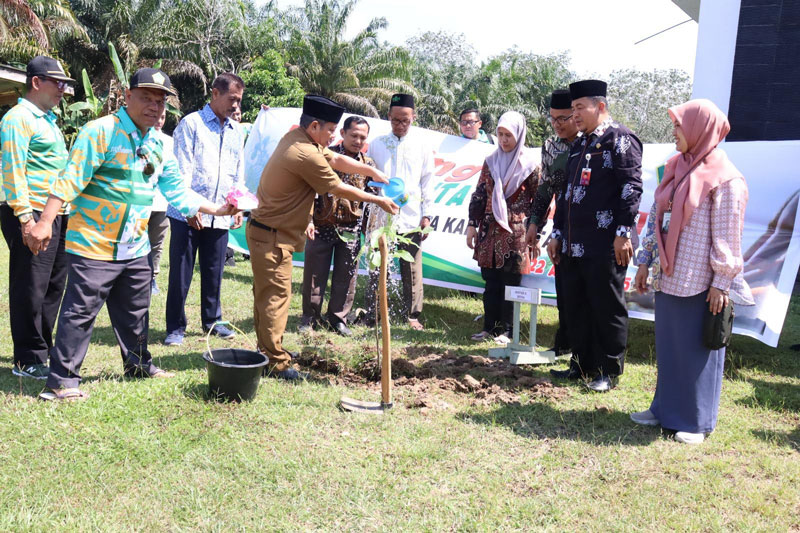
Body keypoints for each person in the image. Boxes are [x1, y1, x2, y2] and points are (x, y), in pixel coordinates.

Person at [26, 68, 239, 401]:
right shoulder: (100, 132)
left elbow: (177, 192)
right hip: (93, 244)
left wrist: (217, 210)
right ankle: (62, 381)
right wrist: (43, 223)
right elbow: (68, 181)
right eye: (146, 99)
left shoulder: (158, 144)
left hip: (135, 245)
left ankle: (139, 365)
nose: (155, 107)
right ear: (127, 97)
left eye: (160, 102)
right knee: (80, 312)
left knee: (136, 311)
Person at [247, 95, 398, 380]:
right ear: (315, 126)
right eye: (331, 130)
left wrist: (369, 170)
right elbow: (338, 187)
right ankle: (274, 364)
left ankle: (266, 352)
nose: (332, 136)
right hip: (272, 237)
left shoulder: (299, 139)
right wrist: (376, 200)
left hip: (269, 233)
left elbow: (337, 158)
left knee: (268, 296)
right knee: (276, 298)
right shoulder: (305, 154)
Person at [631, 99, 753, 444]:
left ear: (701, 129)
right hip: (670, 275)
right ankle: (664, 409)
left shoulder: (726, 179)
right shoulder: (676, 166)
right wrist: (645, 260)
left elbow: (728, 236)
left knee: (699, 350)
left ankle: (696, 421)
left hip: (702, 281)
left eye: (678, 126)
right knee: (670, 347)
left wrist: (722, 283)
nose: (673, 133)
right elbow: (658, 219)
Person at [547, 79, 643, 392]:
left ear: (599, 106)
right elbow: (564, 195)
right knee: (577, 306)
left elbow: (631, 187)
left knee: (606, 306)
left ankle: (608, 370)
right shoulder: (579, 145)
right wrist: (557, 233)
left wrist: (623, 232)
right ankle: (582, 364)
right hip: (574, 245)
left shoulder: (621, 139)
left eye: (579, 108)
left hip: (605, 244)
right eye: (571, 109)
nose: (574, 115)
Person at [0, 55, 73, 380]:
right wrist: (26, 220)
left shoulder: (49, 120)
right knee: (30, 285)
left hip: (56, 213)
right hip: (29, 213)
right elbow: (14, 171)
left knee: (53, 285)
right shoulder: (18, 119)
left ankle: (41, 350)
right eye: (57, 83)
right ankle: (27, 358)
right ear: (36, 82)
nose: (62, 89)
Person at [164, 73, 245, 346]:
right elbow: (181, 168)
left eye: (239, 101)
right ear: (215, 94)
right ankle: (175, 327)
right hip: (188, 214)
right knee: (181, 272)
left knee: (214, 271)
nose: (236, 106)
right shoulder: (192, 124)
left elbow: (238, 172)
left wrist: (237, 207)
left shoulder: (236, 131)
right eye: (232, 99)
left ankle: (213, 321)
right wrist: (189, 206)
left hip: (220, 213)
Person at [466, 111, 540, 343]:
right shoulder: (491, 161)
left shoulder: (530, 165)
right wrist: (471, 224)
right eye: (500, 134)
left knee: (511, 284)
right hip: (490, 232)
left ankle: (507, 331)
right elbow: (479, 194)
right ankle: (489, 327)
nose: (504, 140)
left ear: (519, 134)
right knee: (491, 283)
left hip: (517, 233)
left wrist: (535, 233)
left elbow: (540, 201)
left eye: (509, 135)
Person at [300, 116, 376, 337]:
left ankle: (338, 319)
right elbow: (308, 191)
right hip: (322, 226)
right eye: (354, 135)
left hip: (351, 229)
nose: (358, 141)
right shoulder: (325, 155)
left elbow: (370, 199)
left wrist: (370, 231)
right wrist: (309, 219)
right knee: (314, 276)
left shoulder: (368, 165)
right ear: (342, 134)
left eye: (363, 137)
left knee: (347, 276)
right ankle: (310, 318)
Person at [365, 93, 435, 331]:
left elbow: (427, 181)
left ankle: (413, 315)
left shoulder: (422, 145)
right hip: (381, 214)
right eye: (396, 120)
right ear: (388, 117)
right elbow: (370, 178)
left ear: (413, 118)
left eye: (405, 120)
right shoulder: (376, 143)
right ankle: (374, 310)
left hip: (411, 215)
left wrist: (427, 215)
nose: (400, 125)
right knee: (378, 263)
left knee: (412, 268)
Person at [526, 89, 578, 357]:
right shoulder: (550, 146)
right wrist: (535, 223)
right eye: (553, 119)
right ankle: (564, 343)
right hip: (561, 225)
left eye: (564, 118)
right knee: (563, 286)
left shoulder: (589, 142)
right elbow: (545, 188)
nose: (558, 124)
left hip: (587, 225)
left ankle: (583, 348)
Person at [147, 107, 171, 294]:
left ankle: (152, 278)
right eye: (157, 116)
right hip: (141, 202)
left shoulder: (169, 142)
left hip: (162, 203)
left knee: (157, 243)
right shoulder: (139, 139)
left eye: (163, 117)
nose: (159, 120)